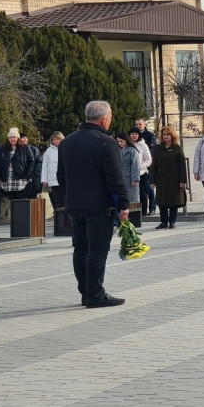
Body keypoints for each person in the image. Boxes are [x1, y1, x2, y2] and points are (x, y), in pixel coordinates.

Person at [57, 100, 128, 308]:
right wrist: (124, 203)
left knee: (80, 249)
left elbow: (61, 175)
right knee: (97, 250)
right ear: (104, 119)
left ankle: (86, 292)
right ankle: (95, 294)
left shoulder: (68, 141)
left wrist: (68, 196)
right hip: (98, 205)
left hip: (74, 204)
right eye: (111, 117)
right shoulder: (106, 142)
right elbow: (115, 176)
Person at [150, 126, 188, 229]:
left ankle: (172, 221)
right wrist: (152, 181)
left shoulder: (177, 148)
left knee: (173, 201)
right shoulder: (158, 148)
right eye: (164, 134)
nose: (166, 136)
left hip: (174, 179)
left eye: (168, 134)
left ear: (172, 135)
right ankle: (163, 222)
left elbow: (182, 166)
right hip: (161, 179)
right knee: (161, 202)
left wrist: (183, 181)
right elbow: (154, 166)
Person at [0, 127, 40, 217]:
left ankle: (22, 218)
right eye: (10, 137)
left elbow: (31, 161)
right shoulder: (3, 149)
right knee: (12, 201)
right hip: (8, 180)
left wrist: (28, 176)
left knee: (21, 201)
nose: (12, 139)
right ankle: (15, 219)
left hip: (21, 180)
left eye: (14, 137)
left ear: (18, 138)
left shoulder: (24, 148)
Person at [127, 128, 152, 216]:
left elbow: (148, 160)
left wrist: (140, 167)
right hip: (128, 174)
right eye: (132, 134)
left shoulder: (143, 145)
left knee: (143, 194)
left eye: (136, 134)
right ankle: (132, 213)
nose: (134, 136)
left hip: (141, 173)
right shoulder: (126, 145)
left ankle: (144, 213)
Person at [134, 119, 156, 216]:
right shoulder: (131, 136)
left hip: (147, 166)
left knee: (149, 188)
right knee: (140, 191)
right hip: (136, 170)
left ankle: (152, 208)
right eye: (136, 124)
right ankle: (141, 210)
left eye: (140, 124)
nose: (138, 126)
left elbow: (152, 148)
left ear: (144, 125)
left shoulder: (149, 135)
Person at [40, 131, 65, 214]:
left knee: (65, 200)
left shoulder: (66, 148)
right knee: (58, 201)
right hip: (53, 180)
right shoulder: (49, 151)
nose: (56, 141)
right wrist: (44, 180)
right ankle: (60, 220)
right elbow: (45, 166)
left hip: (64, 179)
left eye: (58, 139)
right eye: (54, 139)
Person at [117, 134, 141, 214]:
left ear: (126, 141)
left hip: (129, 176)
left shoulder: (132, 150)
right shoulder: (118, 150)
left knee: (132, 197)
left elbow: (135, 165)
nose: (120, 143)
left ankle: (134, 217)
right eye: (118, 141)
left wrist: (135, 179)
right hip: (120, 176)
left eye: (121, 141)